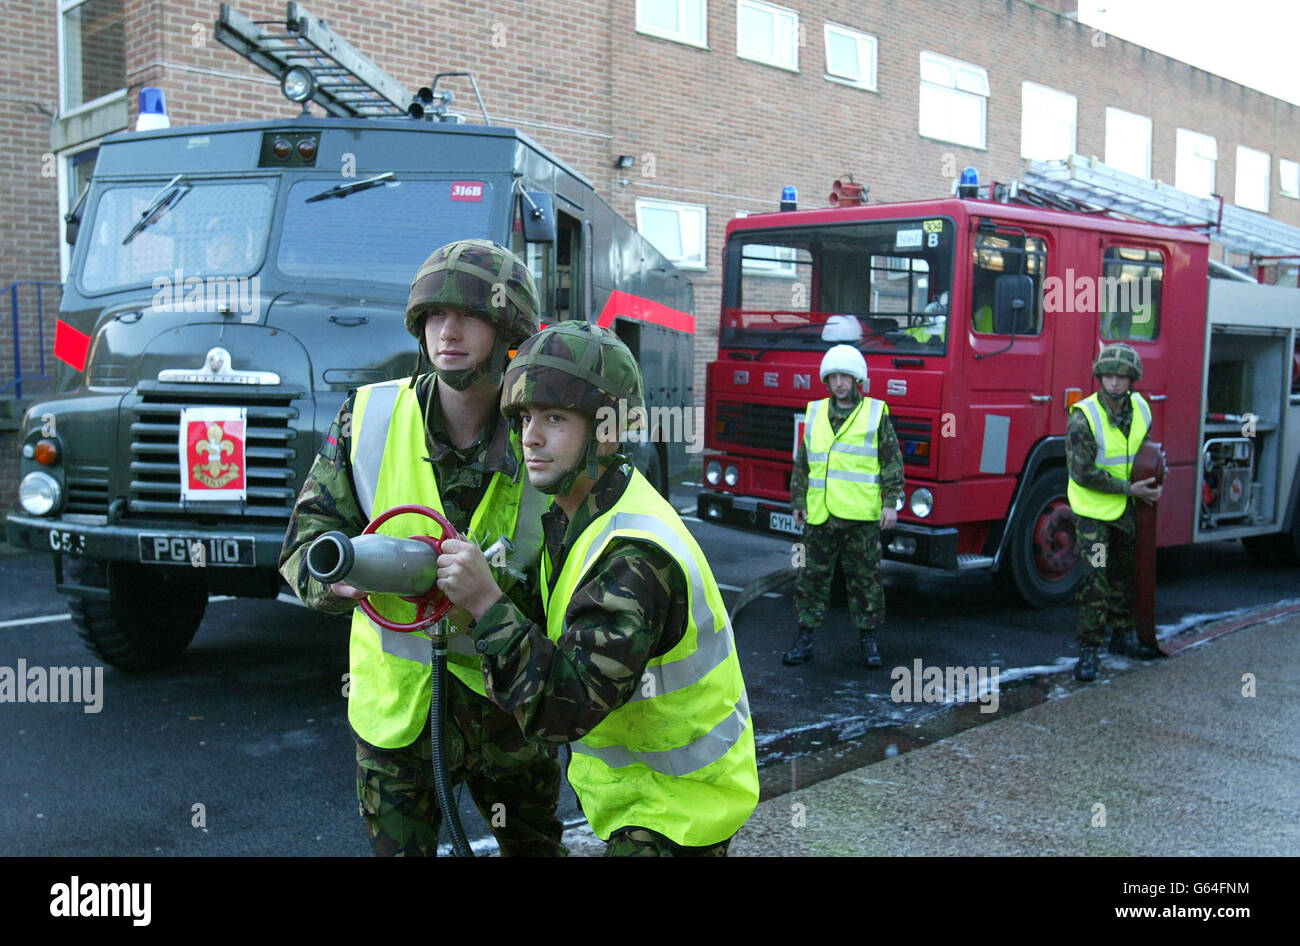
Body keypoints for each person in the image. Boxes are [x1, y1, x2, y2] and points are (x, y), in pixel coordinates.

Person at [278, 239, 566, 856]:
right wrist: (330, 582)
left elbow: (584, 569)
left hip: (510, 713)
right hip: (398, 719)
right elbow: (304, 541)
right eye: (435, 315)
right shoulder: (370, 417)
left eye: (470, 315)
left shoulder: (545, 434)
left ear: (509, 327)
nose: (448, 331)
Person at [434, 320, 759, 856]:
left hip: (676, 812)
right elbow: (552, 630)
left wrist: (486, 604)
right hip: (645, 800)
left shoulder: (632, 556)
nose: (530, 437)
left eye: (555, 418)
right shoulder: (579, 515)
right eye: (523, 418)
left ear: (607, 429)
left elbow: (562, 712)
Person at [784, 344, 904, 669]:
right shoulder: (815, 412)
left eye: (845, 377)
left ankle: (868, 640)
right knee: (810, 579)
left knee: (865, 580)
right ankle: (804, 638)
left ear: (857, 379)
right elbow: (803, 462)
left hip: (860, 518)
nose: (839, 383)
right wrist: (797, 500)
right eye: (833, 376)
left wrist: (891, 504)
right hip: (820, 516)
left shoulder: (876, 414)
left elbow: (892, 462)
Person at [1067, 342, 1164, 682]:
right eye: (1109, 376)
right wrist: (1129, 489)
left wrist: (1154, 480)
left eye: (1122, 377)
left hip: (1126, 510)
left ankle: (1122, 638)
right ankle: (1088, 650)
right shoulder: (1083, 416)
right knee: (1096, 579)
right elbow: (1082, 472)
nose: (1115, 383)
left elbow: (1146, 454)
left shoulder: (1140, 408)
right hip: (1093, 512)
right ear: (1100, 377)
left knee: (1125, 575)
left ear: (1132, 380)